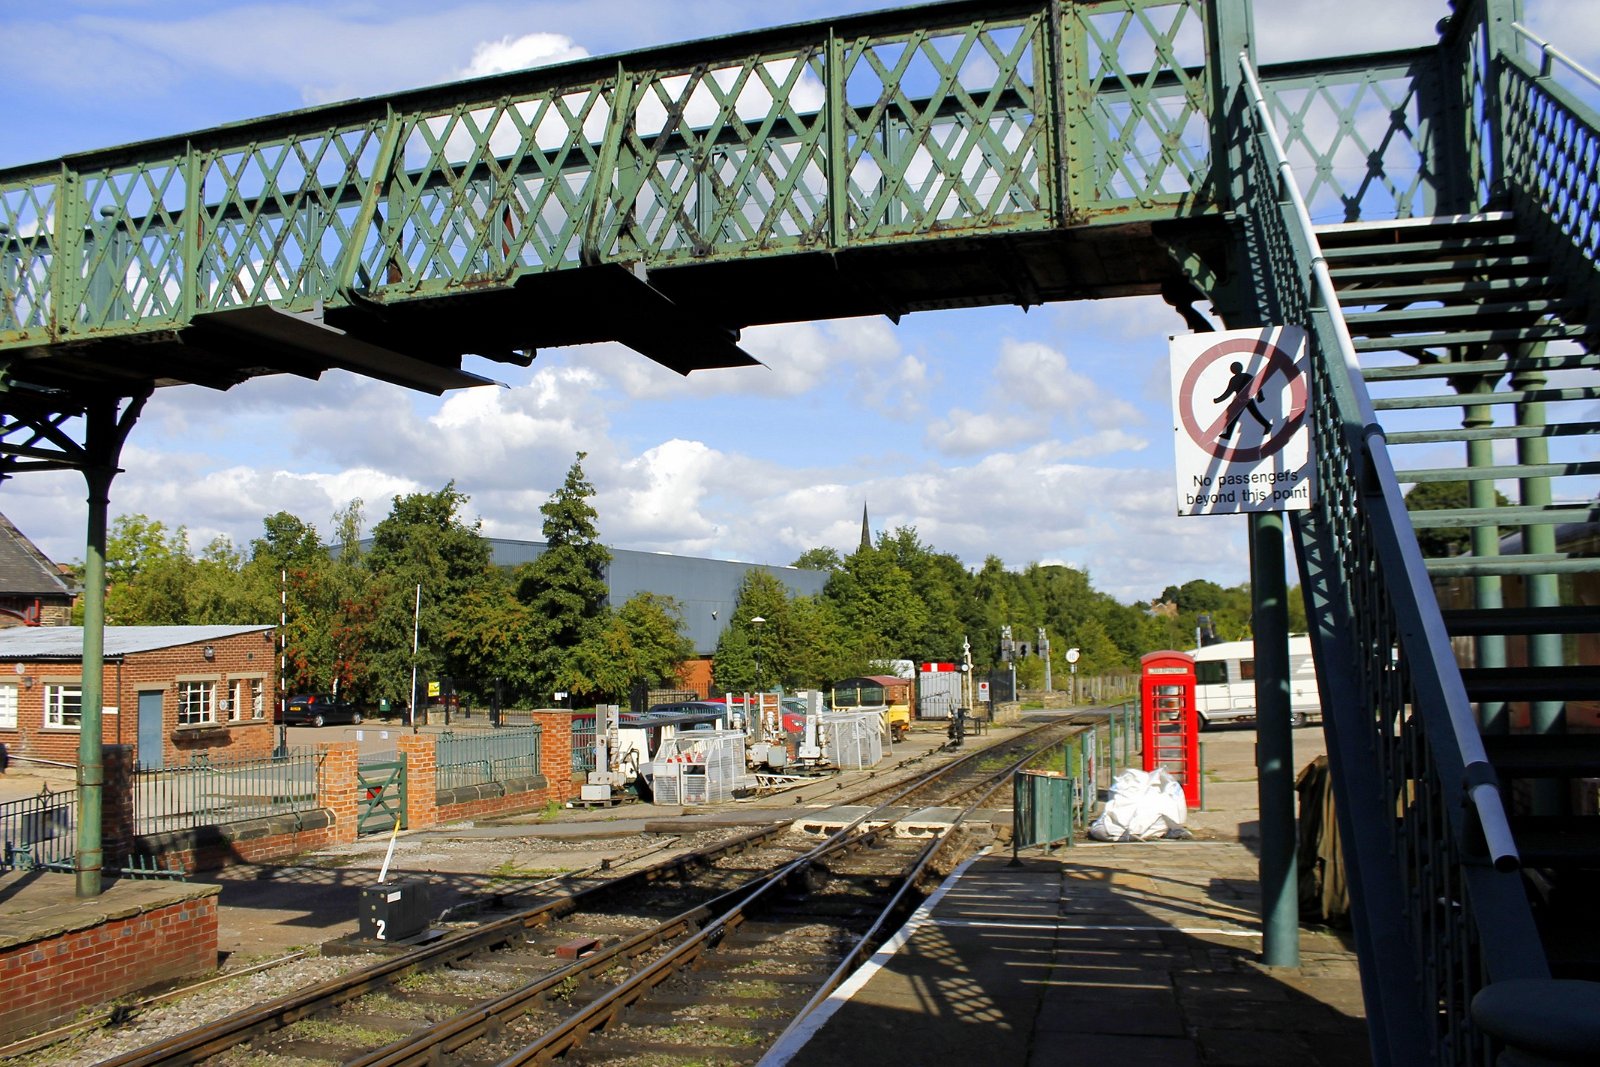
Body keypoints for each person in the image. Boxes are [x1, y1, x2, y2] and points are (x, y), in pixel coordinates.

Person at [1213, 361, 1272, 439]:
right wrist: (1260, 396)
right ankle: (1228, 434)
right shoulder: (1245, 376)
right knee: (1234, 417)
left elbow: (1228, 393)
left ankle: (1267, 425)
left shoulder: (1235, 379)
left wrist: (1218, 400)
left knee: (1254, 415)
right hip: (1244, 400)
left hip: (1244, 400)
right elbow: (1257, 386)